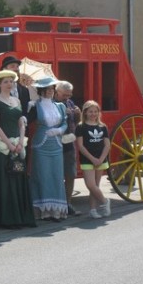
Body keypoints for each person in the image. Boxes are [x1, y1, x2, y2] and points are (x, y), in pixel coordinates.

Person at [0, 70, 35, 229]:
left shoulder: (16, 100)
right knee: (7, 182)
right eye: (6, 82)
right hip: (4, 147)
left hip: (18, 144)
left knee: (19, 180)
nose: (9, 84)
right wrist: (8, 144)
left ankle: (23, 217)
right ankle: (9, 219)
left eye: (11, 81)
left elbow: (21, 122)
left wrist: (21, 141)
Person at [29, 77, 68, 221]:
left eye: (52, 89)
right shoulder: (35, 106)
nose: (50, 92)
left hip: (56, 145)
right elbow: (25, 121)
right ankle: (42, 211)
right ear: (41, 91)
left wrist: (59, 131)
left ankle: (56, 211)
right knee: (42, 176)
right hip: (41, 145)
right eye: (47, 90)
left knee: (57, 176)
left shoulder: (60, 106)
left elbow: (64, 123)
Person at [75, 100, 111, 219]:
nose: (93, 114)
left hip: (100, 159)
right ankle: (105, 201)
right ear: (85, 113)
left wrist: (100, 159)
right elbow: (80, 145)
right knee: (90, 185)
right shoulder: (81, 127)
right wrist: (93, 159)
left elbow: (107, 145)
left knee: (96, 185)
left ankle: (93, 210)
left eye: (95, 111)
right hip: (87, 159)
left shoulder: (102, 126)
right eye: (90, 111)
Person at [54, 81, 82, 216]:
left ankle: (68, 203)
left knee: (70, 174)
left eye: (69, 95)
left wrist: (77, 114)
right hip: (55, 143)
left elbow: (76, 122)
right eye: (64, 95)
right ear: (57, 92)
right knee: (57, 175)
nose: (67, 97)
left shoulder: (70, 103)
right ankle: (58, 203)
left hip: (69, 143)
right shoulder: (52, 103)